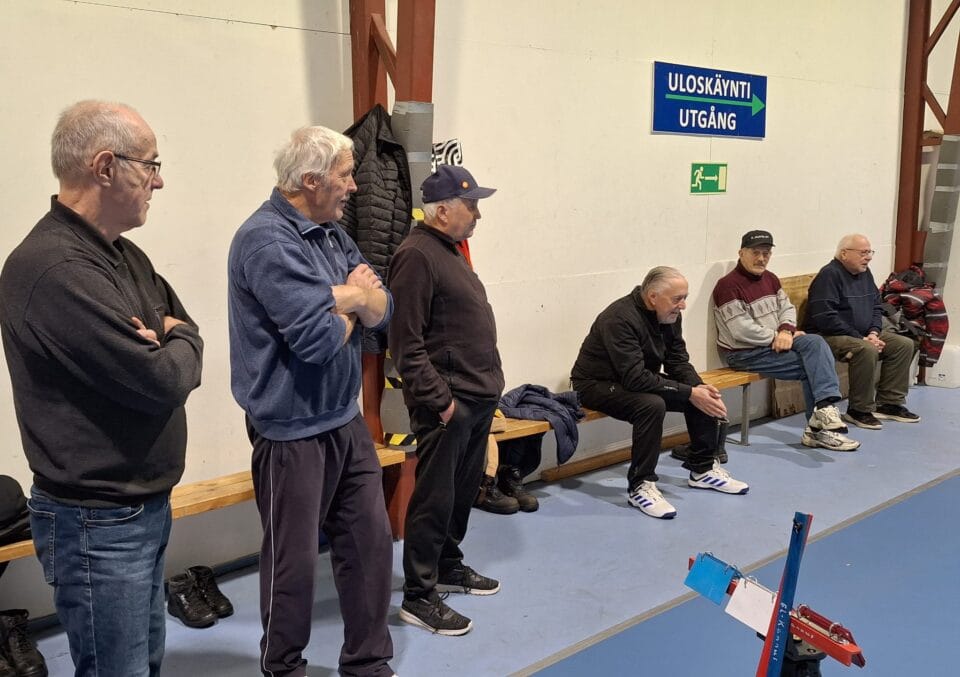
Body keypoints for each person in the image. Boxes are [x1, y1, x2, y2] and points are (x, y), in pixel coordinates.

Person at [0, 100, 203, 676]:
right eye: (150, 164)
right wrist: (174, 338)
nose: (158, 181)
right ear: (106, 166)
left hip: (140, 508)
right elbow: (165, 377)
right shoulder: (55, 270)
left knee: (145, 662)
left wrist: (174, 335)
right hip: (97, 522)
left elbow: (182, 331)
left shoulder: (122, 254)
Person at [228, 125, 395, 677]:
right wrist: (356, 298)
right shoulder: (266, 242)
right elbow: (317, 341)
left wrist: (349, 299)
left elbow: (385, 309)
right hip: (291, 433)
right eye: (345, 175)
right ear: (310, 180)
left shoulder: (330, 233)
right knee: (293, 568)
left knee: (370, 547)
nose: (354, 186)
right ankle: (283, 668)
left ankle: (368, 664)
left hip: (345, 421)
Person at [388, 165, 504, 636]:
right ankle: (419, 596)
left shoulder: (449, 250)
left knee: (459, 492)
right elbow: (405, 343)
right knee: (434, 500)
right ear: (441, 211)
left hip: (476, 397)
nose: (477, 214)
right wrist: (441, 401)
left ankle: (448, 565)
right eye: (470, 205)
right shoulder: (416, 256)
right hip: (449, 405)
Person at [571, 266, 749, 521]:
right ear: (653, 297)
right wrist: (690, 392)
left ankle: (703, 469)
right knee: (652, 405)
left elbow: (677, 361)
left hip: (635, 378)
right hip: (596, 384)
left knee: (703, 393)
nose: (683, 305)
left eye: (685, 297)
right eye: (677, 299)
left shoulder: (670, 315)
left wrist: (698, 388)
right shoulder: (619, 318)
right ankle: (640, 486)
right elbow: (634, 378)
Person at [713, 230, 859, 451]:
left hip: (777, 342)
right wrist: (777, 336)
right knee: (813, 366)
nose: (761, 258)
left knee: (815, 342)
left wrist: (786, 331)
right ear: (741, 253)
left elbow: (787, 309)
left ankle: (823, 410)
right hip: (745, 353)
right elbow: (740, 330)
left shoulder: (770, 278)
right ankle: (818, 429)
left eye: (766, 253)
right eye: (755, 253)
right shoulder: (728, 286)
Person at [803, 234, 919, 430]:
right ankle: (858, 410)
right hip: (826, 336)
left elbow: (876, 306)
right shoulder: (829, 275)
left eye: (870, 252)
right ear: (844, 254)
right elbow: (826, 318)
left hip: (861, 334)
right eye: (863, 253)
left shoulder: (865, 273)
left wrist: (874, 332)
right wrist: (862, 338)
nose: (869, 257)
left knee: (903, 344)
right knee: (866, 349)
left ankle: (889, 403)